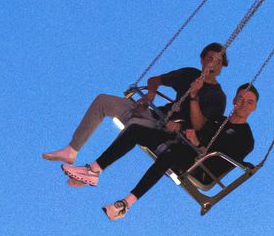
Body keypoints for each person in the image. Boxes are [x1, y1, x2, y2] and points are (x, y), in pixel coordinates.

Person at [42, 43, 228, 187]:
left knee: (134, 127)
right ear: (202, 59)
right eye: (210, 59)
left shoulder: (217, 96)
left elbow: (200, 126)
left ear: (221, 67)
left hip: (166, 130)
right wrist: (151, 94)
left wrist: (194, 95)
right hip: (156, 114)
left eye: (218, 62)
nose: (212, 64)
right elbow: (155, 80)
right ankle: (71, 150)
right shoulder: (189, 74)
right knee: (103, 101)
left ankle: (93, 171)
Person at [103, 82, 259, 221]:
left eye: (249, 102)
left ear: (254, 107)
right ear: (234, 101)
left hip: (201, 168)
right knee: (136, 130)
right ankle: (96, 168)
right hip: (183, 145)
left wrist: (199, 145)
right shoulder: (216, 120)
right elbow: (196, 128)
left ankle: (126, 203)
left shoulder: (245, 138)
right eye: (241, 99)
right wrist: (180, 126)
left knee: (172, 152)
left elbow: (221, 163)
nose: (244, 104)